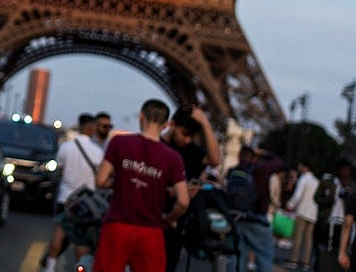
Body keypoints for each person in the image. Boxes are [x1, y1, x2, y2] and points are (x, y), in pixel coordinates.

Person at [94, 98, 189, 272]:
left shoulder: (119, 142)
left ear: (141, 116)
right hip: (151, 232)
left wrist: (121, 181)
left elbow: (100, 181)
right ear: (166, 124)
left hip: (117, 226)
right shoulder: (173, 158)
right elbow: (183, 201)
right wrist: (169, 220)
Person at [161, 105, 222, 272]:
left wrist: (206, 124)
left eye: (191, 136)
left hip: (176, 225)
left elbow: (215, 159)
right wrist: (176, 191)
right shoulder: (157, 146)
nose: (187, 140)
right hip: (155, 219)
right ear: (172, 125)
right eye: (185, 133)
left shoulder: (191, 151)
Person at [43, 113, 104, 272]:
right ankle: (80, 268)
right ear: (91, 128)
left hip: (65, 197)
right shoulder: (98, 152)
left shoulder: (65, 147)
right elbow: (101, 178)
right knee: (82, 240)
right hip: (86, 203)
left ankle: (50, 266)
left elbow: (60, 170)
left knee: (59, 232)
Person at [226, 146, 285, 272]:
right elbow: (279, 162)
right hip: (257, 218)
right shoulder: (260, 170)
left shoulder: (232, 171)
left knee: (237, 255)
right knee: (264, 255)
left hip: (236, 218)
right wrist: (264, 152)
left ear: (239, 156)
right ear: (254, 158)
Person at [313, 158, 352, 272]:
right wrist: (329, 200)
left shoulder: (348, 187)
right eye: (344, 170)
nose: (346, 173)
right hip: (326, 221)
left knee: (336, 250)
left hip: (341, 224)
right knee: (322, 249)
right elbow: (317, 197)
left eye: (348, 170)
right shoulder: (328, 182)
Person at [285, 160, 320, 270]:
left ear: (305, 167)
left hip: (302, 211)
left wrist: (290, 204)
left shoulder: (304, 179)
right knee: (309, 238)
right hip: (313, 213)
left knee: (298, 236)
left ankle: (293, 260)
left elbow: (298, 195)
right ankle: (306, 262)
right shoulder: (316, 181)